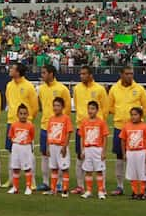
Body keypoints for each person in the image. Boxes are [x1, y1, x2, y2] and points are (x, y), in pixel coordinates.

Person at [108, 66, 146, 195]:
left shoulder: (139, 89)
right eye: (127, 74)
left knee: (142, 157)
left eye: (131, 74)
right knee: (120, 157)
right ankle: (120, 186)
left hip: (137, 130)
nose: (130, 76)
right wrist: (121, 117)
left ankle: (145, 186)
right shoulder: (114, 89)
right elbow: (110, 107)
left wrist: (137, 119)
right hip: (120, 127)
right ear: (121, 74)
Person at [71, 66, 108, 195]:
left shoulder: (99, 89)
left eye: (84, 74)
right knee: (80, 156)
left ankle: (102, 188)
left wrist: (98, 123)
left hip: (96, 128)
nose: (81, 76)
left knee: (99, 159)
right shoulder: (77, 88)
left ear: (91, 75)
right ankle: (81, 186)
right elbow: (76, 105)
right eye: (80, 74)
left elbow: (105, 108)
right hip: (82, 127)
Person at [36, 65, 71, 192]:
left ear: (51, 74)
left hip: (59, 128)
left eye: (44, 73)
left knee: (60, 155)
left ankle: (61, 183)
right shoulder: (41, 89)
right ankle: (46, 182)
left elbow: (66, 108)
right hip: (45, 126)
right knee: (45, 154)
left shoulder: (62, 89)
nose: (42, 75)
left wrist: (61, 124)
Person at [4, 63, 37, 187]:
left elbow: (34, 107)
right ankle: (11, 179)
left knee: (29, 152)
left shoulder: (28, 86)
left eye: (12, 68)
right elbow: (9, 101)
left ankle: (32, 181)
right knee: (11, 152)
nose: (10, 70)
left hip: (25, 124)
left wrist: (27, 121)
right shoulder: (9, 85)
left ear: (18, 72)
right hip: (12, 122)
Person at [78, 101, 109, 200]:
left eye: (92, 109)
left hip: (97, 149)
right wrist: (82, 150)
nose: (90, 111)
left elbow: (105, 137)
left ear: (97, 110)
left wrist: (103, 151)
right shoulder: (84, 122)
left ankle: (101, 191)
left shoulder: (101, 122)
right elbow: (82, 137)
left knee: (99, 171)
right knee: (88, 170)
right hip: (87, 149)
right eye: (89, 109)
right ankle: (88, 190)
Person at [44, 97, 73, 197]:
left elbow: (69, 132)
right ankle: (53, 189)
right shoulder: (51, 119)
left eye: (58, 106)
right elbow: (49, 133)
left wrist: (65, 146)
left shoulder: (66, 118)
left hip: (61, 147)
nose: (56, 108)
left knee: (64, 168)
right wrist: (47, 147)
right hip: (52, 146)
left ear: (62, 107)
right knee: (54, 168)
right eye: (54, 105)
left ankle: (65, 189)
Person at [121, 106, 146, 200]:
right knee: (132, 172)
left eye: (135, 115)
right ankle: (134, 192)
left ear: (141, 115)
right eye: (132, 115)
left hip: (141, 152)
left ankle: (142, 192)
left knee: (142, 172)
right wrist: (124, 153)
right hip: (130, 152)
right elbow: (123, 140)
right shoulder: (127, 126)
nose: (133, 117)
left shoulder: (145, 126)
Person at [7, 104, 35, 196]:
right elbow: (11, 136)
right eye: (21, 113)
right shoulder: (14, 125)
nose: (23, 116)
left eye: (25, 114)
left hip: (25, 148)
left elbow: (32, 136)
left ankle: (28, 187)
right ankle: (15, 187)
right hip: (16, 147)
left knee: (27, 168)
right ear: (17, 114)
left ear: (27, 115)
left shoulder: (30, 125)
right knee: (15, 168)